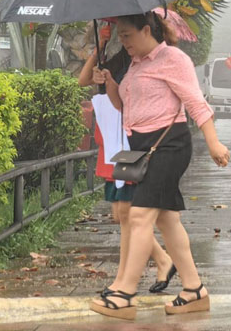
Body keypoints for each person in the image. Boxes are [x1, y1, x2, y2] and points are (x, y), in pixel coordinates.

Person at [90, 11, 230, 320]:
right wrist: (110, 83)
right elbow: (125, 106)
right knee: (167, 220)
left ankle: (124, 293)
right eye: (120, 36)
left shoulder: (173, 58)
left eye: (126, 35)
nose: (122, 42)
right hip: (142, 147)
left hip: (168, 145)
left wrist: (213, 142)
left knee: (139, 215)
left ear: (145, 30)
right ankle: (194, 290)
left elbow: (195, 102)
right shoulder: (136, 64)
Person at [77, 21, 177, 299]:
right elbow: (83, 81)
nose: (120, 36)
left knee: (130, 215)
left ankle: (128, 277)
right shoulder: (117, 55)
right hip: (110, 139)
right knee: (124, 214)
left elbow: (126, 98)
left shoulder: (136, 60)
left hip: (127, 142)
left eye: (123, 32)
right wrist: (98, 52)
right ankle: (158, 262)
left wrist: (110, 82)